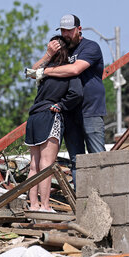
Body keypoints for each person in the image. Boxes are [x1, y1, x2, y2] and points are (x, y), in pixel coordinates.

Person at [32, 14, 106, 187]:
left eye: (69, 30)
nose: (65, 34)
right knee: (76, 160)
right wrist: (48, 55)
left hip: (90, 110)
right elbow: (32, 72)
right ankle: (82, 200)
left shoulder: (91, 47)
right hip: (68, 112)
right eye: (63, 30)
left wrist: (47, 72)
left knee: (98, 156)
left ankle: (104, 198)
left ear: (79, 30)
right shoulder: (61, 51)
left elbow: (75, 69)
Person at [24, 35, 83, 212]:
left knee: (34, 166)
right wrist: (62, 105)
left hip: (33, 117)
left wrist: (47, 55)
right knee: (47, 165)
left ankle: (33, 205)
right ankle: (46, 206)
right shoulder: (67, 71)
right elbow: (77, 94)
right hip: (50, 115)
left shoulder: (45, 70)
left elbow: (31, 72)